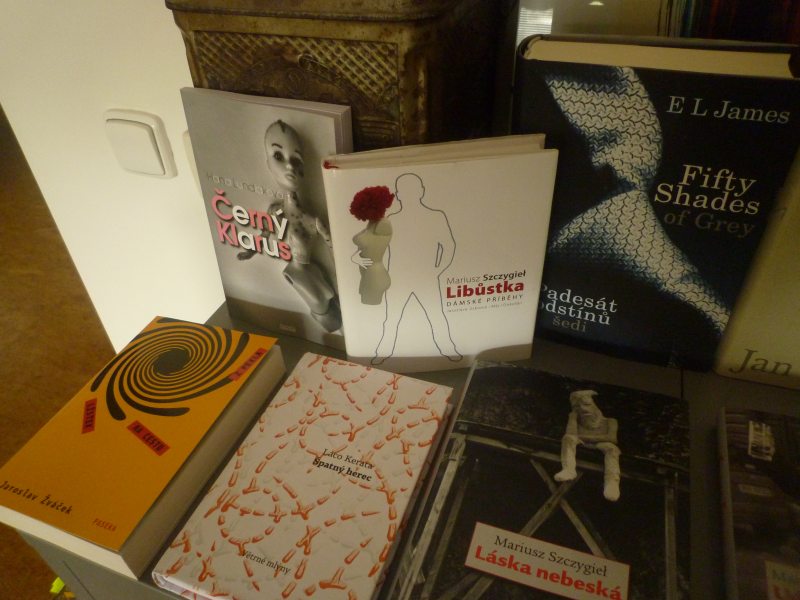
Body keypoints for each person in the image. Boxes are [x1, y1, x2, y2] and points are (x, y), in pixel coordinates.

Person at [239, 119, 341, 332]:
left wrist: (345, 272)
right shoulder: (275, 211)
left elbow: (333, 248)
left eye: (296, 159)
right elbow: (265, 234)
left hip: (311, 272)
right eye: (278, 156)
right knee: (325, 315)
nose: (289, 167)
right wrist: (250, 250)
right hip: (296, 272)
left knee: (329, 309)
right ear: (268, 163)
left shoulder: (312, 221)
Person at [373, 173, 461, 364]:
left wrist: (438, 270)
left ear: (421, 191)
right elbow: (379, 249)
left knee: (435, 315)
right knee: (393, 318)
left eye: (411, 190)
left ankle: (448, 349)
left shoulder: (435, 216)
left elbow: (449, 245)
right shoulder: (390, 221)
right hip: (398, 279)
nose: (409, 194)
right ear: (399, 195)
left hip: (424, 277)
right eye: (406, 191)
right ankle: (383, 352)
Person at [554, 389, 621, 501]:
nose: (583, 409)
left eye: (587, 405)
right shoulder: (576, 421)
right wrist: (572, 417)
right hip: (582, 444)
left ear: (595, 406)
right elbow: (570, 435)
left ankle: (612, 483)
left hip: (601, 445)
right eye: (577, 407)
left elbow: (612, 439)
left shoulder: (610, 421)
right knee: (568, 438)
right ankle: (569, 469)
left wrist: (582, 437)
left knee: (611, 448)